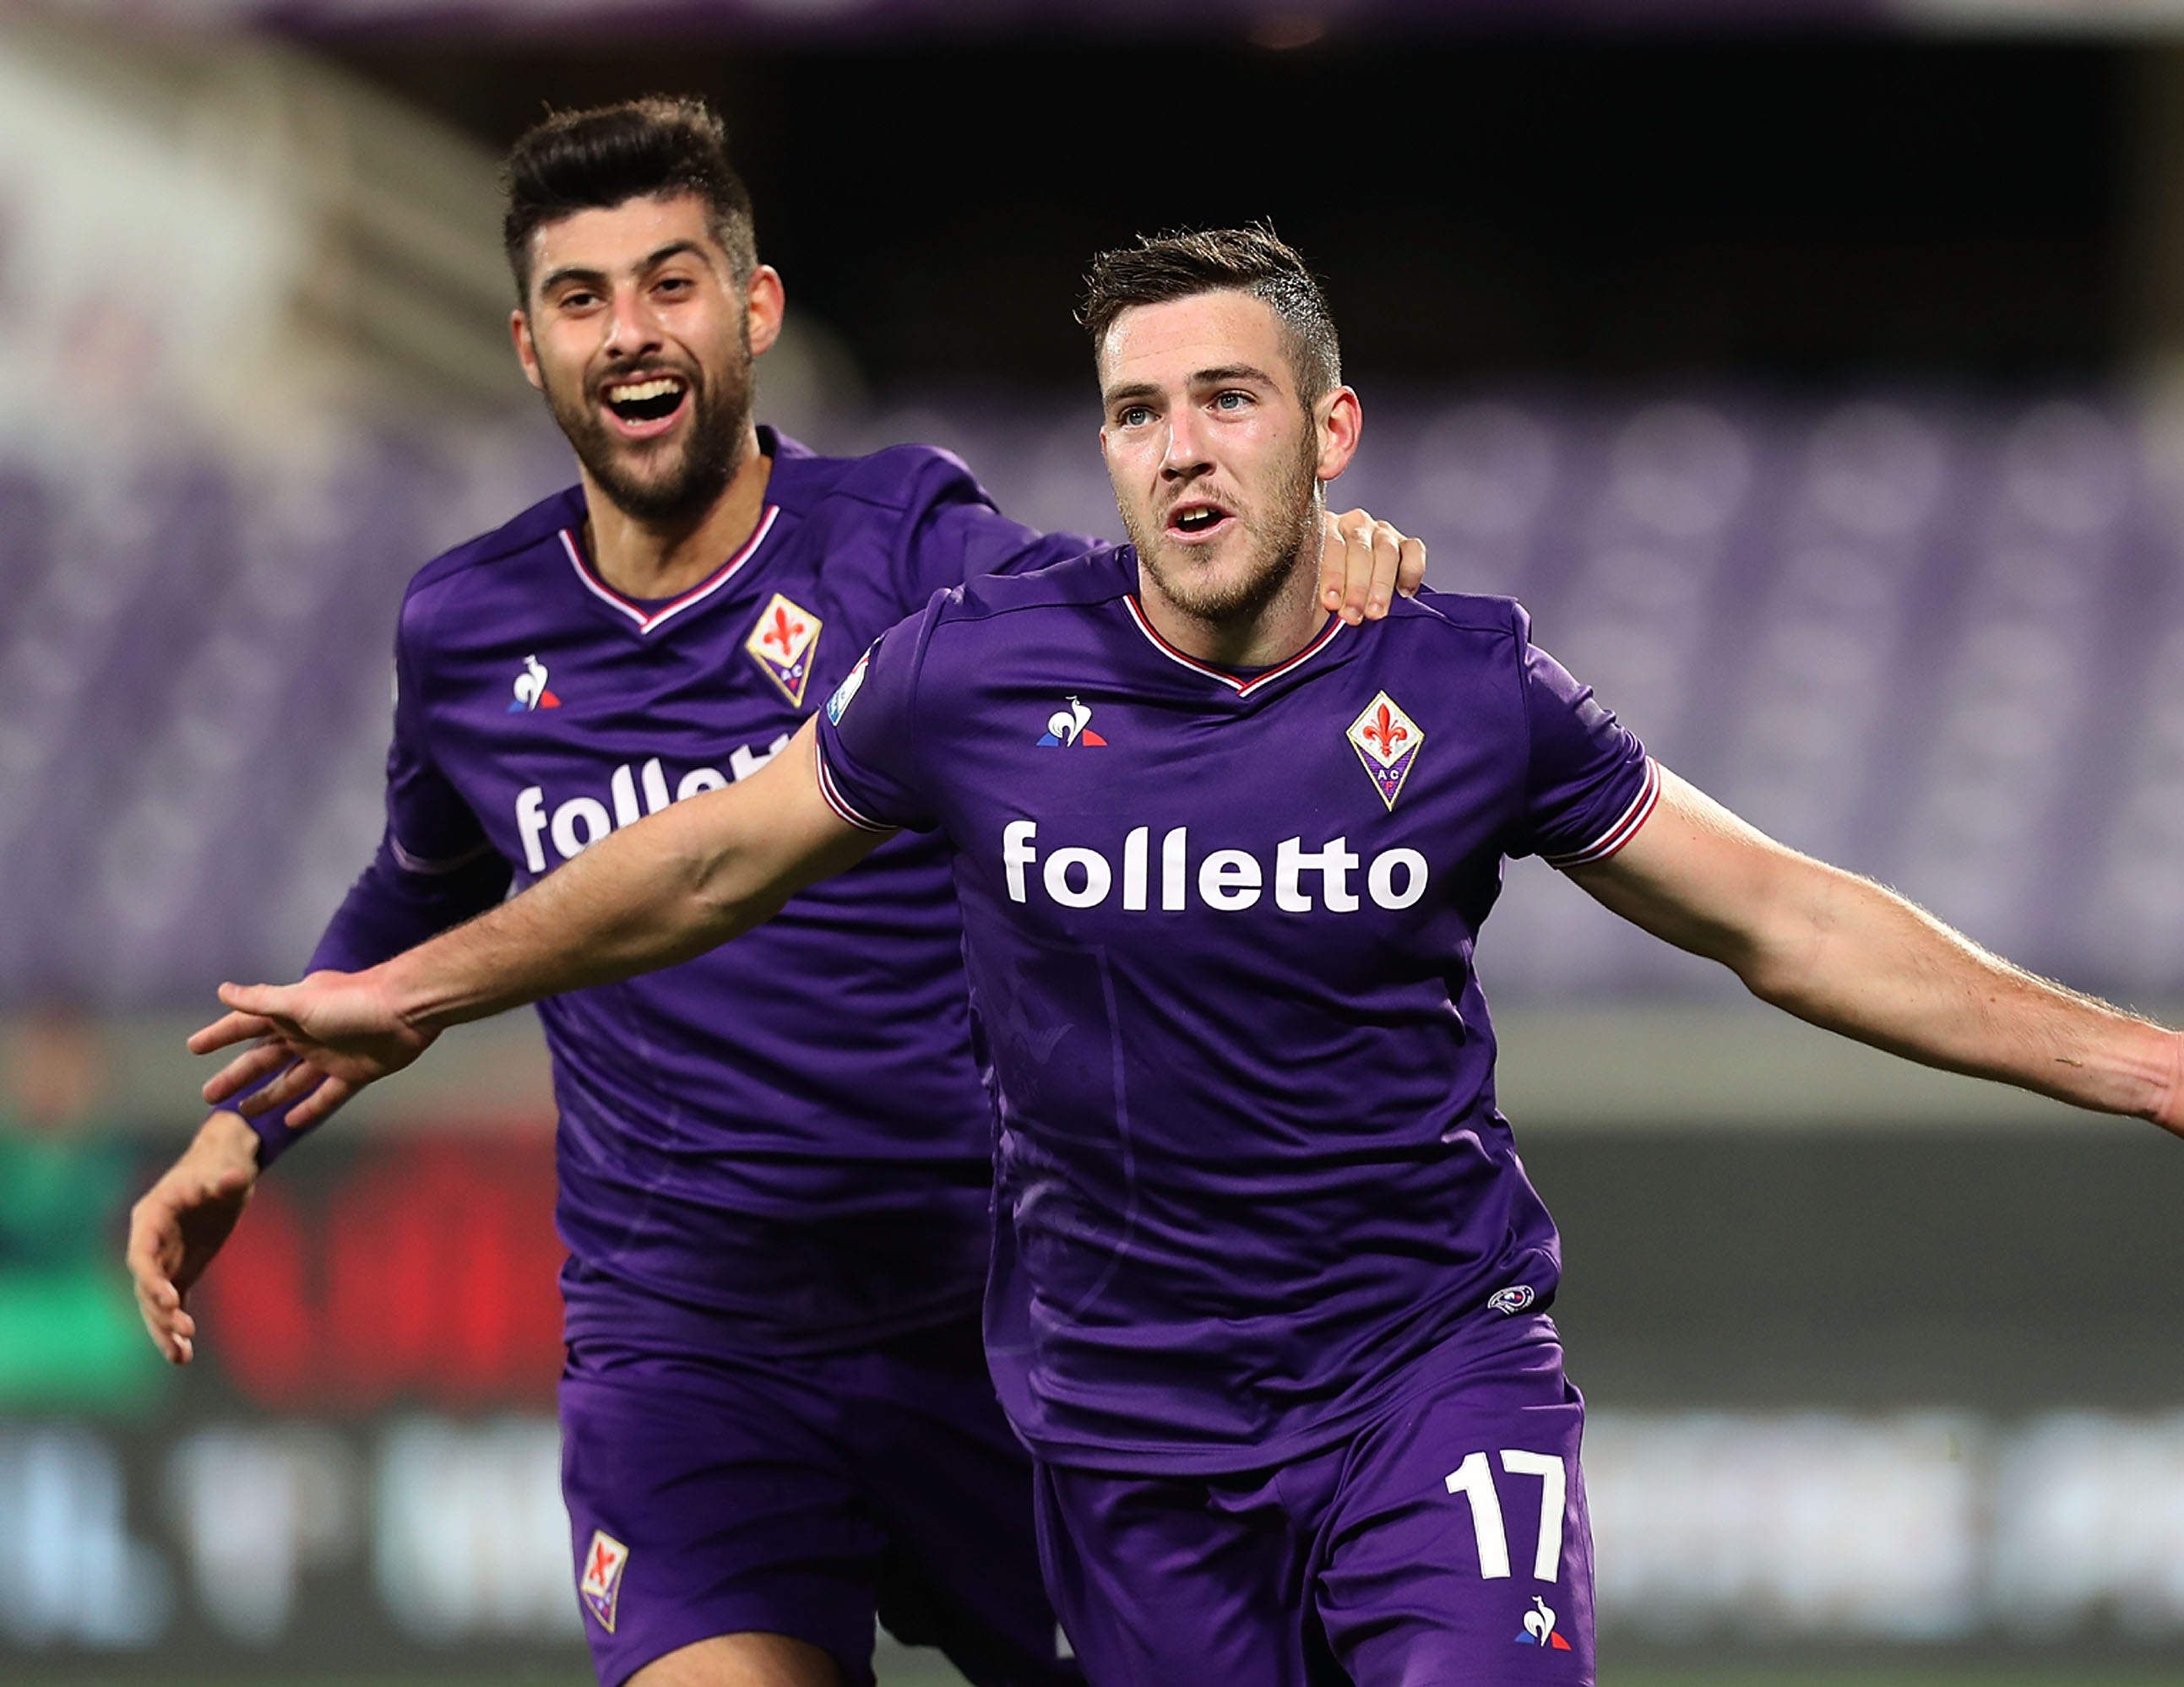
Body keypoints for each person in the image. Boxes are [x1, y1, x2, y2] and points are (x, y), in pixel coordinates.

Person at [192, 227, 2184, 1687]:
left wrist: (2145, 1062)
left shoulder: (1464, 685)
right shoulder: (981, 679)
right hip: (1127, 1429)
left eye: (1229, 401)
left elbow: (1776, 910)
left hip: (1420, 1377)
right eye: (1143, 411)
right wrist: (416, 987)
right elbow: (698, 864)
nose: (1181, 449)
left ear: (1327, 428)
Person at [127, 110, 1423, 1687]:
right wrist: (235, 1131)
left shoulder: (910, 551)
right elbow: (417, 890)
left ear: (754, 311)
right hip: (687, 1350)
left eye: (669, 282)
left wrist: (1311, 556)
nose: (628, 332)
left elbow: (1149, 625)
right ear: (527, 349)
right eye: (581, 298)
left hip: (998, 1330)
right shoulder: (466, 630)